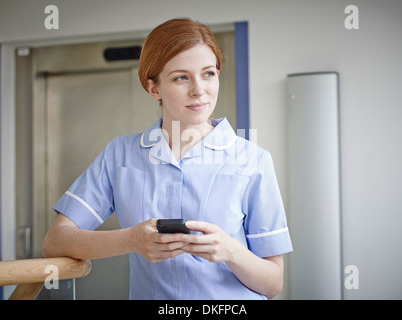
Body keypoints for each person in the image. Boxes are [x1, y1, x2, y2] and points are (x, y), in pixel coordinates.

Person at [43, 18, 293, 300]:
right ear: (154, 88)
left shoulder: (253, 160)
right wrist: (131, 240)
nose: (199, 90)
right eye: (181, 77)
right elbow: (56, 241)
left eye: (208, 73)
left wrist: (231, 251)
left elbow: (273, 284)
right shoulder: (120, 155)